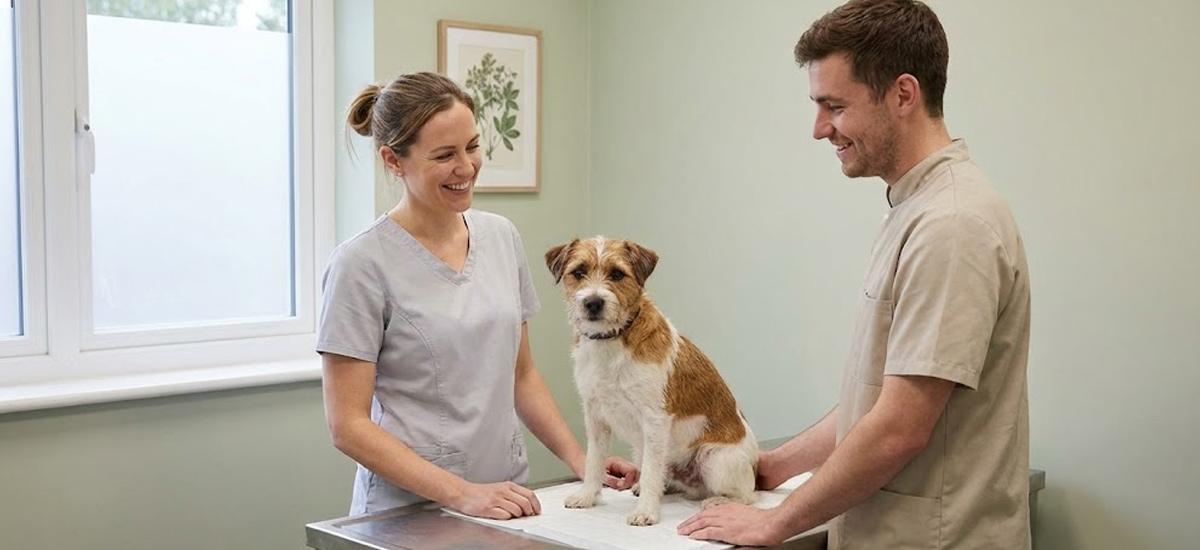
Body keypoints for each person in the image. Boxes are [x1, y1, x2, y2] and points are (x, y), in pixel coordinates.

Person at [678, 1, 1032, 548]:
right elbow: (879, 397)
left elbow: (898, 427)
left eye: (834, 106)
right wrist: (770, 467)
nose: (820, 129)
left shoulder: (953, 224)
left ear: (903, 94)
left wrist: (776, 520)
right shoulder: (915, 207)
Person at [318, 71, 638, 519]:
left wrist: (586, 465)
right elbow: (348, 426)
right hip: (410, 511)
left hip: (506, 497)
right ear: (394, 161)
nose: (466, 168)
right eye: (444, 155)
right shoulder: (360, 264)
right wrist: (460, 493)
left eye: (472, 146)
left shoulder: (500, 236)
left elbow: (521, 375)